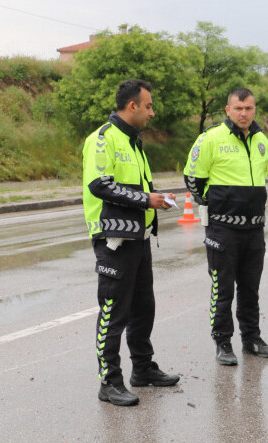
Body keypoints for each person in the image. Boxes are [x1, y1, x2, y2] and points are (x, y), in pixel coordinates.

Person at [81, 79, 180, 406]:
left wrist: (157, 198)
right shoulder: (103, 139)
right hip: (113, 240)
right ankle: (109, 382)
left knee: (143, 309)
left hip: (138, 238)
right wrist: (146, 200)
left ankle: (143, 369)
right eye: (149, 106)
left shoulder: (133, 142)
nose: (153, 112)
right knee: (113, 312)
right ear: (133, 106)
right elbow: (100, 185)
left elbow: (136, 189)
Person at [184, 87, 268, 366]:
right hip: (223, 230)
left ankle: (252, 339)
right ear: (228, 110)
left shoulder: (261, 140)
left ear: (254, 109)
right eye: (238, 108)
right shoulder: (211, 138)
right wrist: (217, 205)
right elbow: (192, 178)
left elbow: (262, 177)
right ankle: (222, 342)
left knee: (251, 288)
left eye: (248, 108)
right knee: (223, 289)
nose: (243, 113)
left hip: (254, 229)